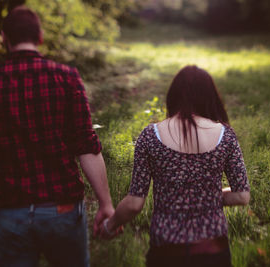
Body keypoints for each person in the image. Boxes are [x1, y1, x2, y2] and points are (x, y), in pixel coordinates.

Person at [0, 6, 114, 267]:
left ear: (3, 37)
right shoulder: (67, 77)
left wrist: (6, 135)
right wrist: (106, 204)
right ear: (40, 36)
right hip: (62, 209)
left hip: (10, 210)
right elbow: (87, 145)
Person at [99, 65, 250, 267]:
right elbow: (242, 196)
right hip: (213, 248)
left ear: (174, 96)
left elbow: (135, 203)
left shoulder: (150, 136)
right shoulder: (226, 136)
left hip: (167, 251)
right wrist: (205, 195)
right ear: (209, 96)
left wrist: (109, 226)